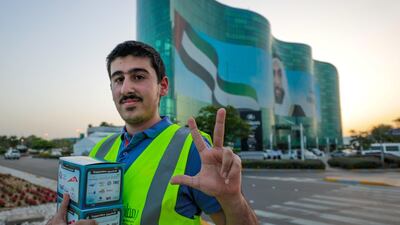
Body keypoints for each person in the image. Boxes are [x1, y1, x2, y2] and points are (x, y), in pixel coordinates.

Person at [48, 41, 258, 225]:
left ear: (163, 87)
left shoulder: (191, 147)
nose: (126, 89)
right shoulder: (99, 150)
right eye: (118, 79)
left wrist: (233, 200)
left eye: (138, 77)